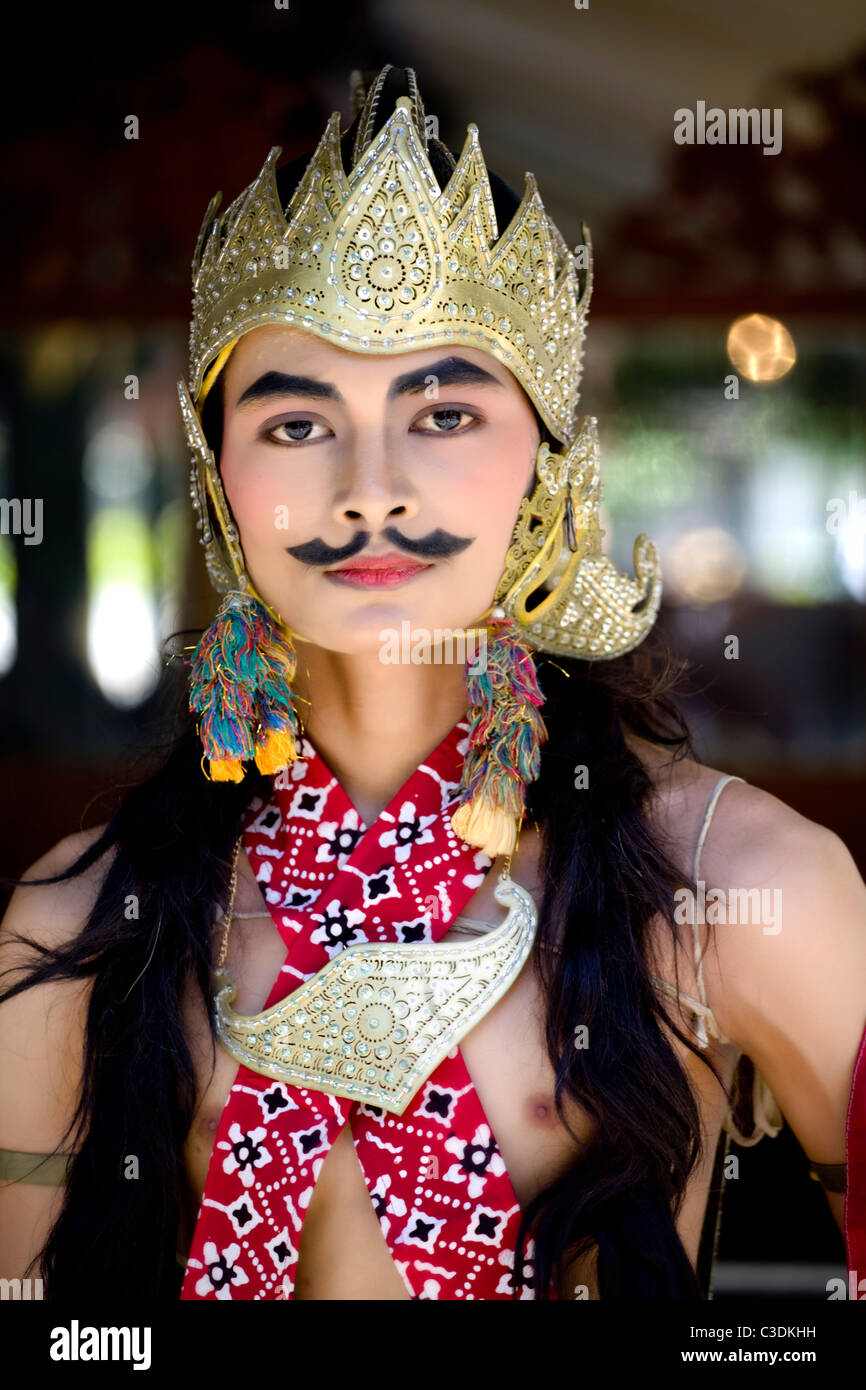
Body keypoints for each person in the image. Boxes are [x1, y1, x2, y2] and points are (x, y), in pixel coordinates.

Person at [1, 63, 865, 1303]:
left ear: (549, 464)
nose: (368, 486)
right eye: (295, 423)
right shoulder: (78, 928)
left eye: (445, 413)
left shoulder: (735, 888)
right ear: (217, 484)